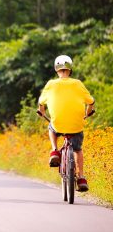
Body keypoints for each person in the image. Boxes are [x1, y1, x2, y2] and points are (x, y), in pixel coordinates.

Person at [37, 55, 95, 192]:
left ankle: (55, 151)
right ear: (70, 69)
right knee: (78, 149)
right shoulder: (78, 84)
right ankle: (81, 178)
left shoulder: (51, 84)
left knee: (51, 126)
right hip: (76, 124)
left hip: (58, 123)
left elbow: (41, 104)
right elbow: (91, 102)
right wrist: (87, 113)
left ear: (56, 69)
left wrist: (42, 112)